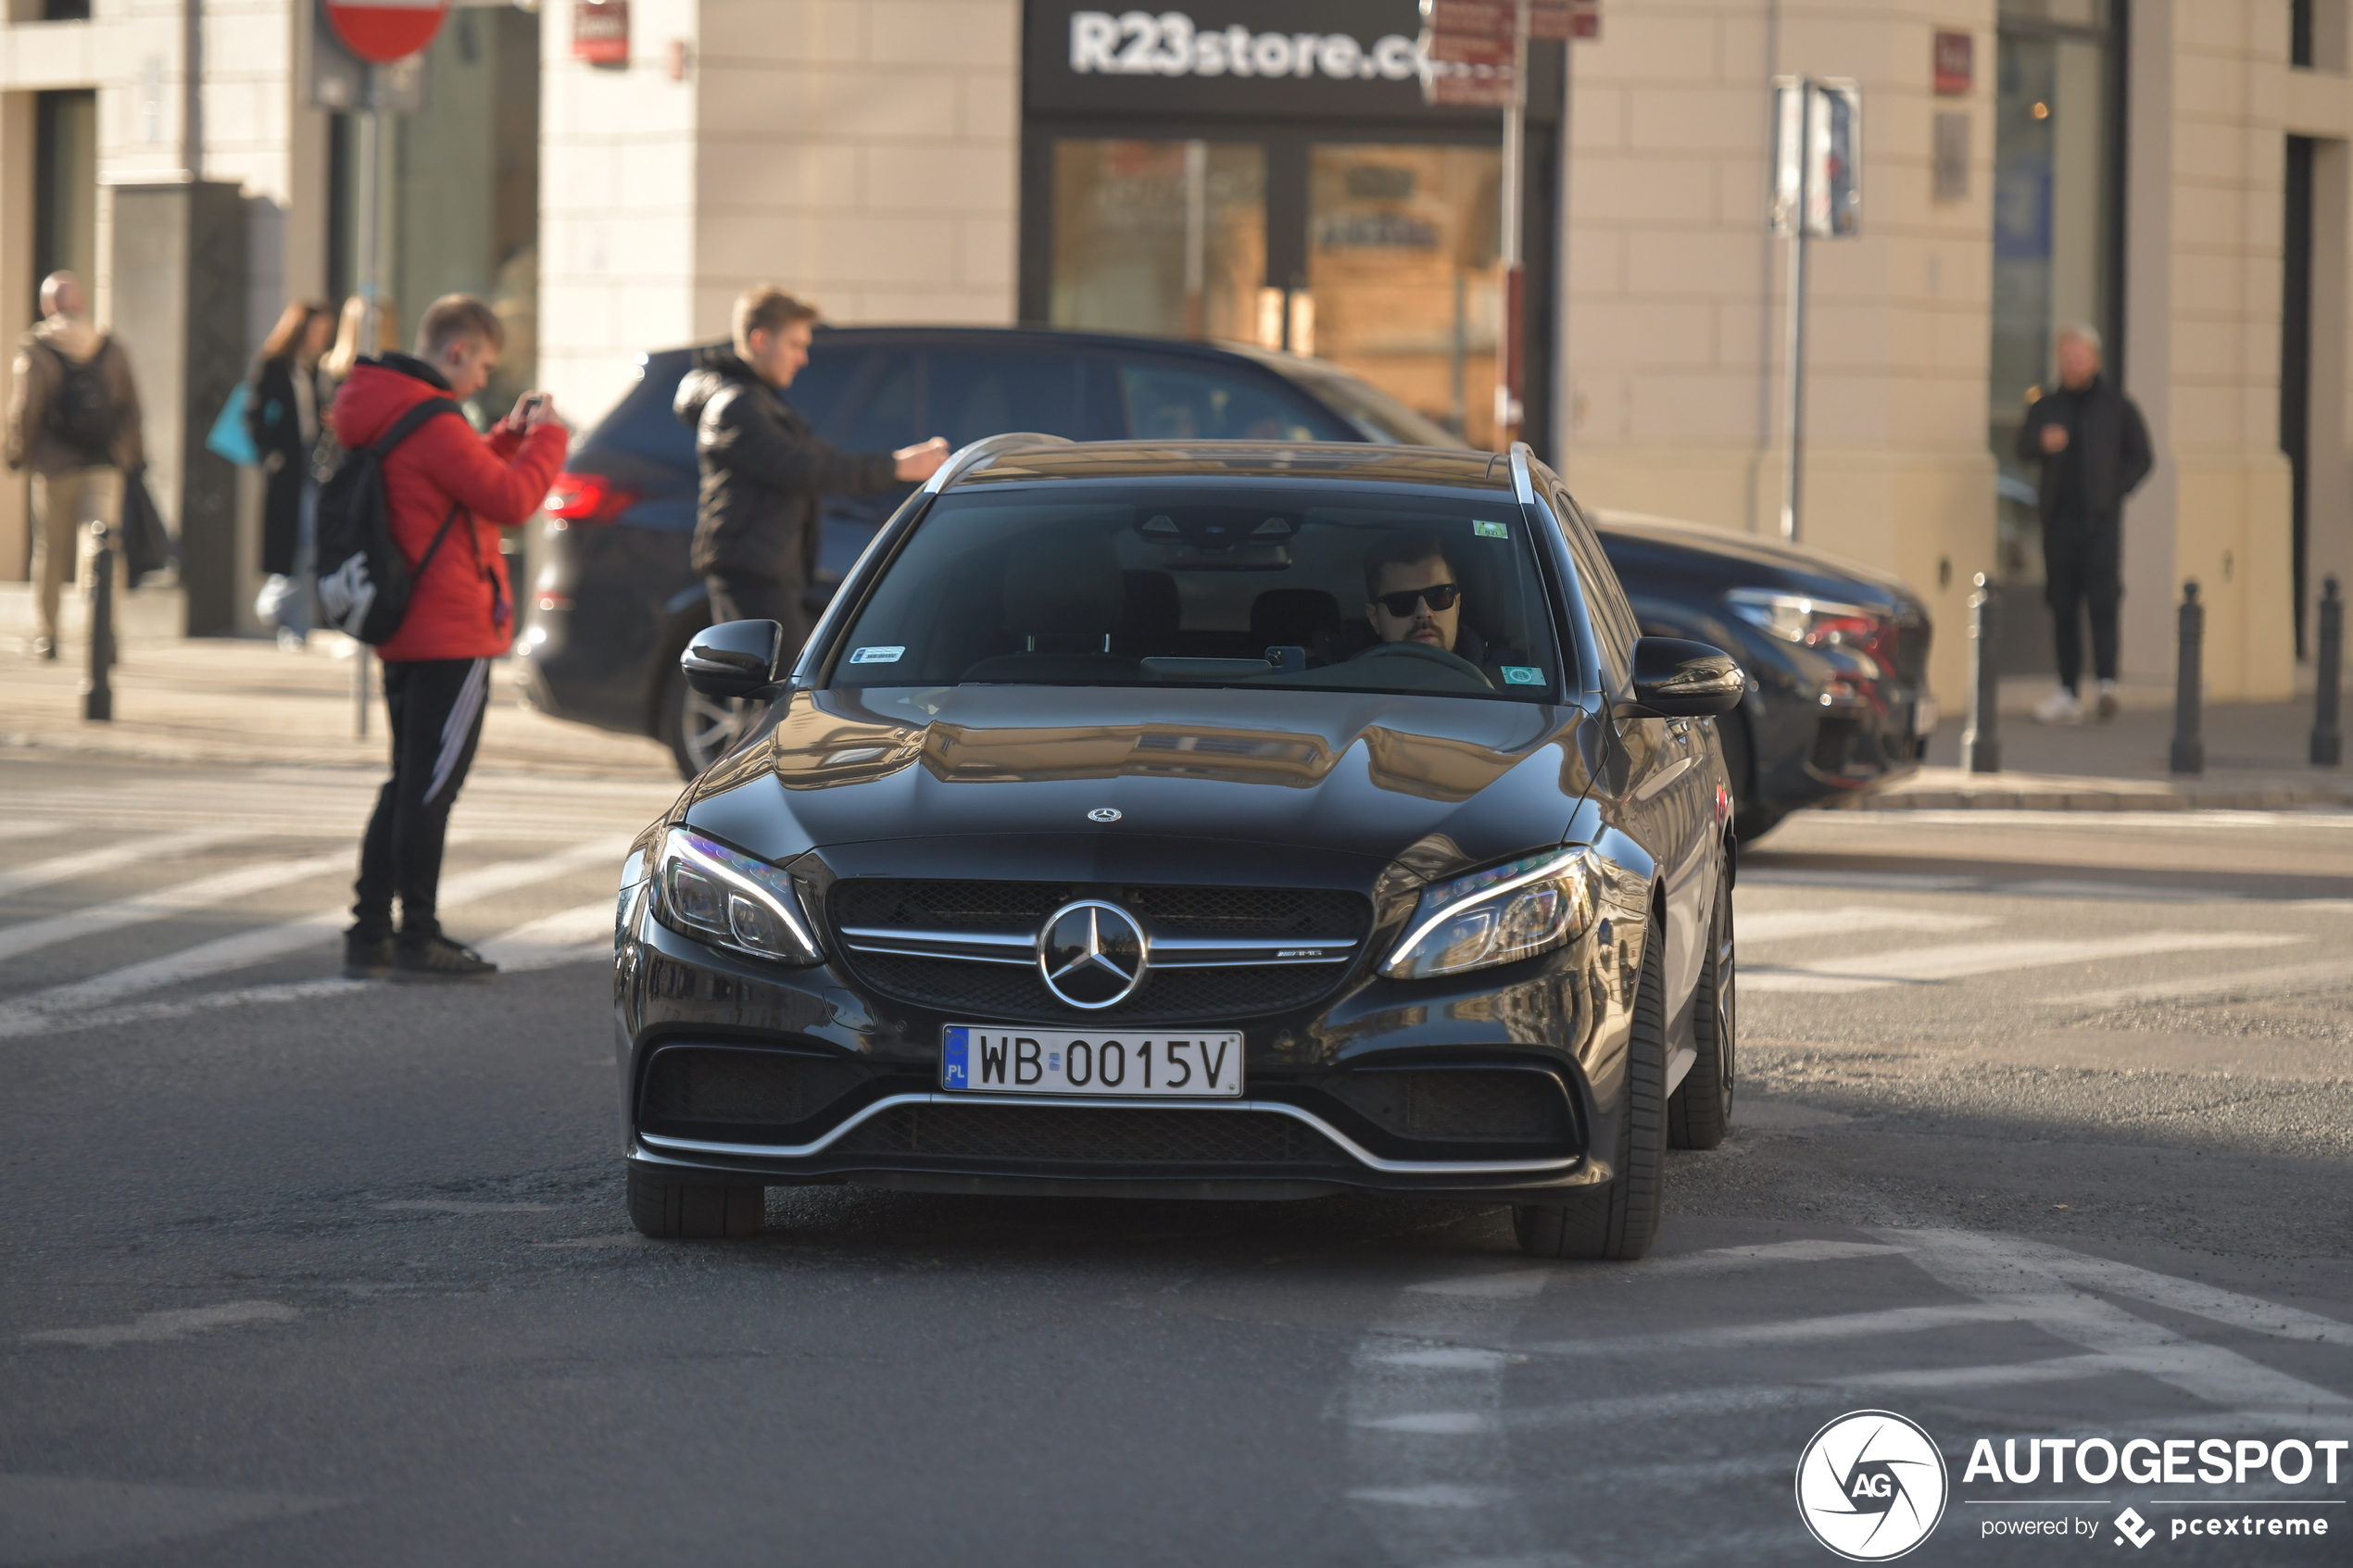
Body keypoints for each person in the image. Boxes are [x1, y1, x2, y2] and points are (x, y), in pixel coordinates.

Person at [333, 295, 567, 982]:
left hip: (404, 623)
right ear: (457, 350)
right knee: (429, 790)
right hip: (449, 628)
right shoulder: (431, 417)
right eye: (483, 366)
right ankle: (418, 937)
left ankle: (369, 930)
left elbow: (457, 478)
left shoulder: (389, 404)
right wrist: (549, 439)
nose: (482, 381)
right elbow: (511, 500)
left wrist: (504, 436)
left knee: (407, 779)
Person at [675, 284, 949, 649]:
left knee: (768, 689)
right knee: (767, 691)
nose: (802, 358)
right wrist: (899, 467)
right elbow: (809, 470)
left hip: (768, 571)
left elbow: (826, 460)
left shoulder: (763, 404)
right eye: (794, 345)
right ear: (760, 340)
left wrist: (902, 461)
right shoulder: (736, 407)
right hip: (751, 574)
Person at [5, 271, 145, 660]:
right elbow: (131, 406)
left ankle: (47, 635)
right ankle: (104, 634)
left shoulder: (36, 347)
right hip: (103, 464)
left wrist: (18, 452)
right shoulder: (110, 346)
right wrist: (128, 454)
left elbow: (24, 407)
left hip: (54, 464)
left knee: (50, 549)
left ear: (48, 306)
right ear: (80, 303)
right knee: (102, 546)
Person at [2017, 323, 2153, 725]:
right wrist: (2042, 442)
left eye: (2079, 356)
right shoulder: (2046, 405)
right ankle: (2067, 691)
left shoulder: (2116, 406)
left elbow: (2143, 457)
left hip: (2101, 522)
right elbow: (2022, 447)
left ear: (2094, 360)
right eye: (2066, 356)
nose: (2072, 363)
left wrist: (2115, 491)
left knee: (2104, 602)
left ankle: (2107, 684)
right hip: (2059, 522)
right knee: (2062, 606)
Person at [246, 299, 335, 650]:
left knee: (312, 544)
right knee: (297, 542)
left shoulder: (314, 370)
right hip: (288, 465)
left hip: (315, 461)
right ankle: (277, 608)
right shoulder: (272, 367)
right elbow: (253, 414)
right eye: (316, 330)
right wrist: (269, 456)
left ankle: (295, 627)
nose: (320, 337)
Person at [1364, 532, 1466, 654]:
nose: (1423, 612)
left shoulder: (1490, 672)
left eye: (1439, 597)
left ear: (1457, 604)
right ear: (1374, 618)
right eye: (1402, 602)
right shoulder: (1344, 672)